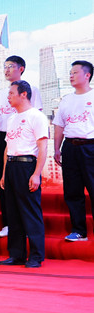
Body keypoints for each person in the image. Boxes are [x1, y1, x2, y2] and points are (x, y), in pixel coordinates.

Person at [0, 56, 43, 238]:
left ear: (21, 68)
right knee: (4, 183)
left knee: (26, 186)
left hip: (25, 138)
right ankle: (8, 224)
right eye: (4, 66)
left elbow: (37, 116)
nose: (6, 70)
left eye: (10, 66)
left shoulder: (31, 90)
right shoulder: (0, 94)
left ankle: (28, 226)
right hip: (5, 139)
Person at [0, 80, 48, 268]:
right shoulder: (11, 118)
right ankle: (16, 254)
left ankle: (36, 256)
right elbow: (7, 148)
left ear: (24, 94)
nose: (8, 97)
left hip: (27, 166)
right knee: (13, 213)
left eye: (11, 93)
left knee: (30, 212)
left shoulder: (36, 116)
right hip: (11, 166)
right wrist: (4, 173)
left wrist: (36, 174)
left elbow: (43, 147)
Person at [53, 60, 94, 242]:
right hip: (70, 147)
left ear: (87, 75)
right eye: (70, 73)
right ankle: (78, 231)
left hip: (91, 147)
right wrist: (57, 148)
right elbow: (59, 125)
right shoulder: (67, 100)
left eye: (75, 72)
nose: (71, 75)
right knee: (72, 191)